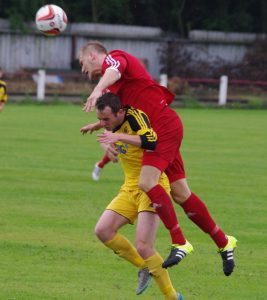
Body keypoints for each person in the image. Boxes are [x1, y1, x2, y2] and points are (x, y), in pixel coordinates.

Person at [79, 41, 237, 276]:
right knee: (181, 193)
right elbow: (122, 117)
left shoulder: (115, 58)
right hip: (160, 130)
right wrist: (101, 128)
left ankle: (180, 241)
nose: (83, 70)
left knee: (146, 181)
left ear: (92, 55)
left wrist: (96, 89)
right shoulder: (114, 91)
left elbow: (113, 69)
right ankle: (224, 242)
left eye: (82, 63)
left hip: (162, 128)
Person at [81, 93, 184, 300]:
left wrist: (117, 137)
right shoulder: (111, 123)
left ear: (120, 112)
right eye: (100, 119)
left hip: (152, 185)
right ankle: (144, 267)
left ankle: (172, 297)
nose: (103, 124)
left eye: (106, 120)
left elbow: (151, 141)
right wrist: (99, 131)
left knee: (144, 246)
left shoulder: (135, 117)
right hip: (130, 188)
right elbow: (109, 130)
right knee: (103, 230)